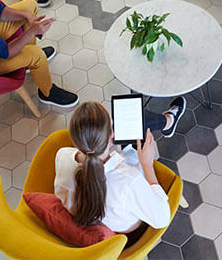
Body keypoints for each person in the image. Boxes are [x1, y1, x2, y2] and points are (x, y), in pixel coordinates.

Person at [54, 97, 186, 233]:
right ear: (112, 134)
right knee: (141, 122)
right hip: (127, 225)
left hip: (101, 217)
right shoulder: (129, 180)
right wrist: (147, 166)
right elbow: (162, 219)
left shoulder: (62, 155)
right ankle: (168, 122)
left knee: (138, 125)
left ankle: (168, 121)